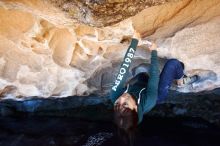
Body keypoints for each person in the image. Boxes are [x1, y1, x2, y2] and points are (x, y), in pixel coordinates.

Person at [109, 38, 198, 144]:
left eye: (117, 103)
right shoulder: (150, 100)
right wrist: (154, 52)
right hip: (157, 95)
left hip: (140, 87)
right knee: (173, 64)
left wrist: (134, 42)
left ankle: (170, 74)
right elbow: (154, 77)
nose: (122, 98)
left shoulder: (114, 95)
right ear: (136, 108)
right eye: (125, 104)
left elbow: (123, 70)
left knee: (142, 75)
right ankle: (180, 80)